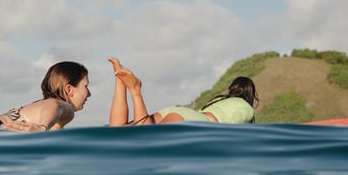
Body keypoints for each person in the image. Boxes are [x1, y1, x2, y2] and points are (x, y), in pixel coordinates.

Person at [107, 57, 258, 126]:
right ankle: (135, 90)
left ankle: (120, 80)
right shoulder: (246, 108)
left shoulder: (219, 100)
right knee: (145, 137)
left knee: (119, 130)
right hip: (192, 120)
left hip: (180, 112)